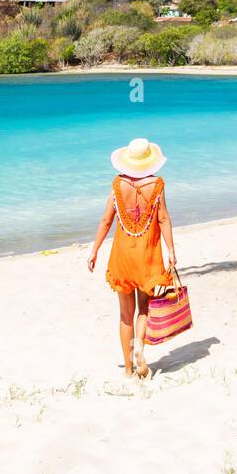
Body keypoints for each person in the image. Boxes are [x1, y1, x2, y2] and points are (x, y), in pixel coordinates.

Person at [88, 137, 176, 379]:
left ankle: (128, 369)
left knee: (125, 315)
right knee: (144, 308)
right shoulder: (157, 185)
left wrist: (94, 249)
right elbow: (164, 219)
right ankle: (139, 348)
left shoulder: (117, 185)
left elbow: (106, 220)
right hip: (147, 254)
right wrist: (171, 250)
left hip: (123, 255)